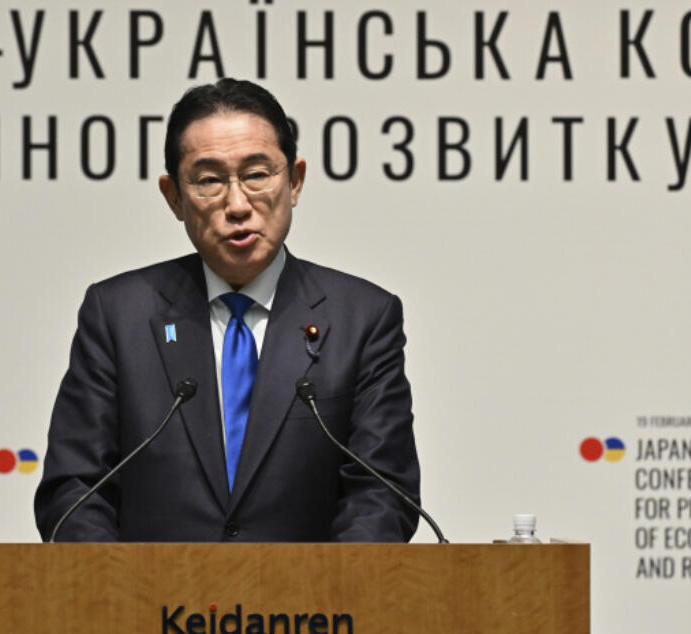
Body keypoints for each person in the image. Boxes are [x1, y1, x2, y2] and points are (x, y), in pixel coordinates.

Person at [34, 78, 420, 542]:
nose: (237, 205)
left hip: (312, 612)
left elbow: (381, 493)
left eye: (257, 175)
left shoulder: (363, 318)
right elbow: (74, 489)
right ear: (174, 196)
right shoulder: (119, 315)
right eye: (209, 180)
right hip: (148, 608)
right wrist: (119, 599)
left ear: (295, 181)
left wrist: (328, 600)